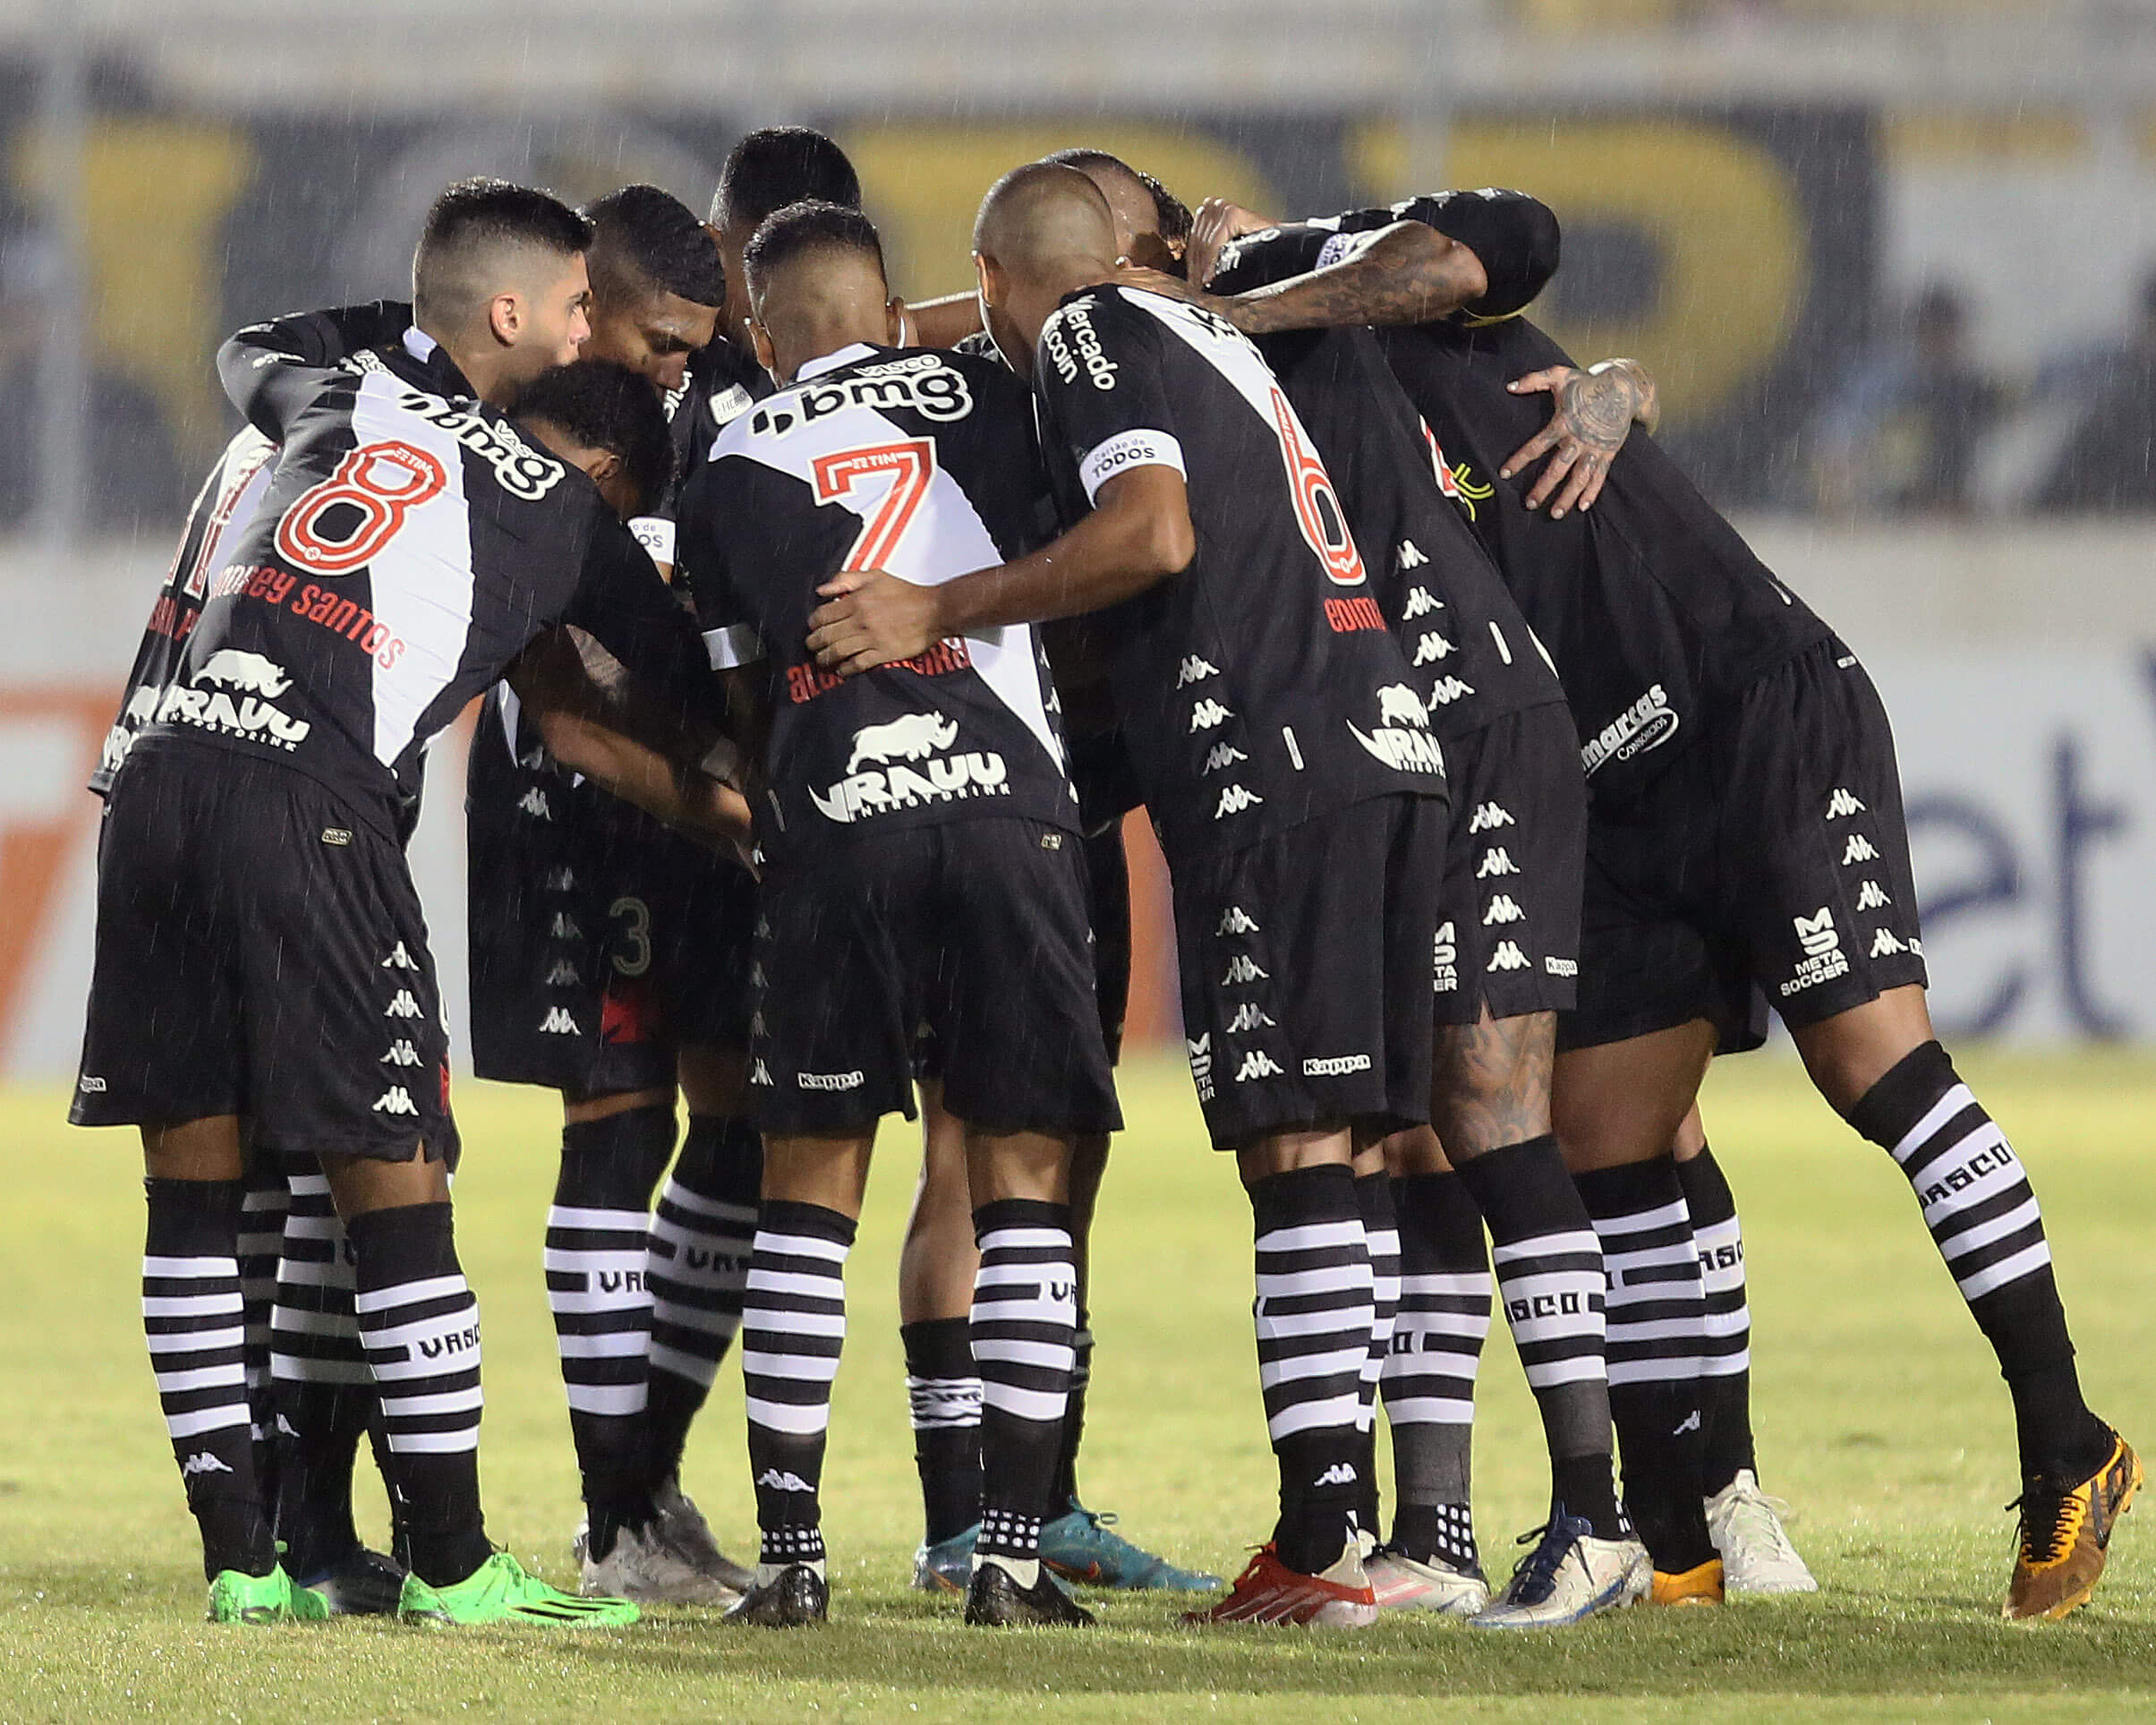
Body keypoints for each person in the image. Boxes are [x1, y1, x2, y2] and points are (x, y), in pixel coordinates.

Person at [1187, 189, 2137, 1622]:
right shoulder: (1258, 428)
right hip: (1591, 782)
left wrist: (1259, 296)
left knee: (1874, 1069)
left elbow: (1501, 242)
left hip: (1745, 702)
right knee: (1607, 1141)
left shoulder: (1384, 288)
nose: (1207, 238)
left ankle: (2066, 1435)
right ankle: (1676, 1531)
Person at [72, 177, 745, 1628]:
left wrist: (409, 332)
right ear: (514, 316)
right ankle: (451, 1560)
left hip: (160, 774)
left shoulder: (335, 395)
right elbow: (679, 682)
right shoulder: (556, 503)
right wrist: (767, 797)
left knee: (194, 1195)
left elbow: (245, 351)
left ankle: (247, 1561)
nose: (591, 334)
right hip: (313, 803)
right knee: (396, 1181)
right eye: (577, 308)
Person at [808, 163, 1460, 1629]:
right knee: (1345, 1150)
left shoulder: (1089, 334)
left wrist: (935, 606)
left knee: (1295, 1148)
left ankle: (1318, 1549)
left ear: (993, 279)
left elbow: (1151, 532)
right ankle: (1343, 1533)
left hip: (1274, 767)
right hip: (1380, 751)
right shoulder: (1204, 331)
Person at [677, 199, 1121, 1629]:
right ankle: (1010, 1559)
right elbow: (1086, 563)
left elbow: (739, 690)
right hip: (1007, 809)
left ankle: (794, 1562)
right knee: (1020, 1177)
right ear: (889, 308)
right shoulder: (998, 395)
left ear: (761, 337)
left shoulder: (724, 459)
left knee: (808, 1194)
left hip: (838, 815)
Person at [460, 183, 757, 1605]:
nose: (674, 368)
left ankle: (645, 1478)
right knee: (616, 1120)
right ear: (592, 299)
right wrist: (738, 808)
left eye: (696, 345)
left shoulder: (699, 409)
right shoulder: (524, 434)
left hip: (683, 803)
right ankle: (613, 1516)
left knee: (742, 1124)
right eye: (656, 339)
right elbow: (568, 704)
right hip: (578, 802)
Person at [1811, 283, 2003, 516]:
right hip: (1881, 506)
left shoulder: (1966, 391)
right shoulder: (1885, 384)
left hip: (1934, 507)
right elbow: (1835, 443)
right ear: (1919, 332)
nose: (1942, 345)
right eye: (1935, 333)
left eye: (1948, 335)